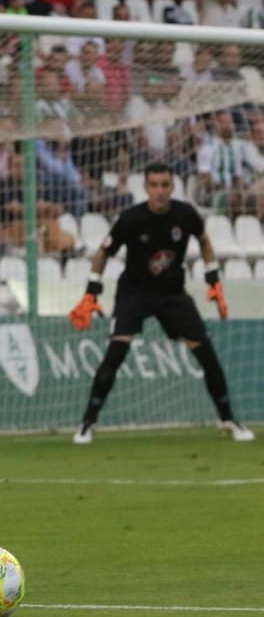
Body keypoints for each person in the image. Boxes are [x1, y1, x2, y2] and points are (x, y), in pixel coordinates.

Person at [69, 163, 255, 444]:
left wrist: (213, 278)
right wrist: (91, 292)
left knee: (207, 355)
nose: (159, 191)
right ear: (145, 187)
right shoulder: (131, 219)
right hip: (135, 292)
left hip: (172, 293)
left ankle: (229, 420)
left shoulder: (185, 214)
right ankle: (87, 423)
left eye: (164, 185)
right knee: (116, 353)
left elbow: (204, 240)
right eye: (154, 185)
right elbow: (103, 252)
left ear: (172, 186)